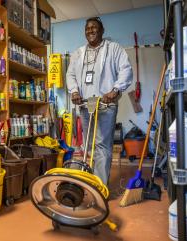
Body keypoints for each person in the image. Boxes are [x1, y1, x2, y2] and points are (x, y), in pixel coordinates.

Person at [66, 17, 133, 185]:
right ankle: (90, 179)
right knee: (89, 145)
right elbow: (70, 74)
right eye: (87, 28)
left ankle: (99, 186)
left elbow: (125, 69)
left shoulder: (114, 48)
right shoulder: (79, 53)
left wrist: (115, 89)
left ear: (102, 30)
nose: (90, 31)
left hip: (106, 103)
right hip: (85, 104)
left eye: (94, 27)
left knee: (102, 144)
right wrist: (74, 91)